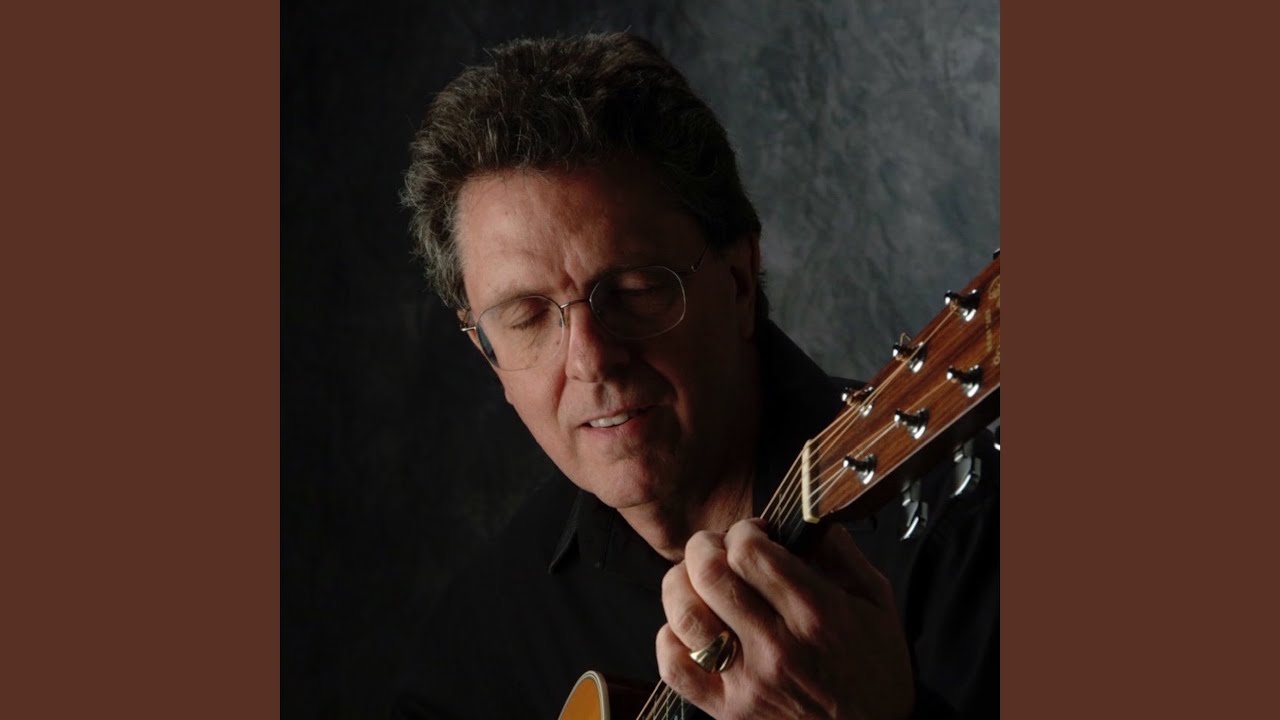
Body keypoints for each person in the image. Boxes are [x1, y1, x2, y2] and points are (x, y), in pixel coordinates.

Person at [394, 32, 998, 719]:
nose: (591, 359)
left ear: (738, 280)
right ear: (486, 352)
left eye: (635, 289)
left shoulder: (972, 533)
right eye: (527, 316)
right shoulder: (488, 642)